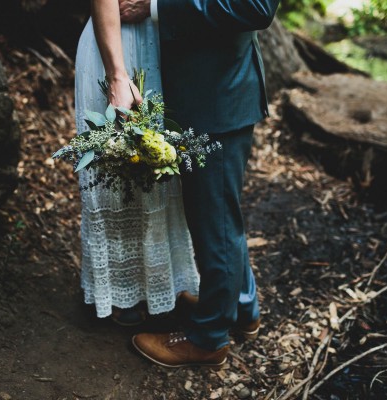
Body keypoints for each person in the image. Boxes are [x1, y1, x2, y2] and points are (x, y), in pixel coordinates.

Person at [119, 0, 280, 367]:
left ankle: (208, 338)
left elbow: (255, 7)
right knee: (218, 214)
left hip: (218, 93)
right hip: (207, 89)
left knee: (216, 221)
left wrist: (155, 6)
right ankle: (240, 308)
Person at [75, 0, 200, 326]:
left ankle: (164, 282)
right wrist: (117, 76)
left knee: (162, 169)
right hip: (118, 48)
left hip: (167, 47)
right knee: (119, 170)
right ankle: (120, 290)